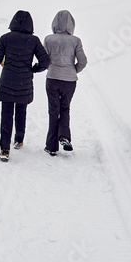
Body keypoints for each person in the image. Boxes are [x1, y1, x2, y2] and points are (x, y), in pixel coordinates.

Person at [0, 10, 50, 161]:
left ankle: (5, 149)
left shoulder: (5, 38)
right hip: (24, 81)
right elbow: (45, 61)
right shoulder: (34, 40)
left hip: (7, 81)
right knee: (21, 110)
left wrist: (4, 62)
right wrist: (33, 69)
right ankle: (19, 139)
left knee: (6, 114)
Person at [43, 10, 87, 156]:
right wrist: (73, 70)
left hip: (53, 78)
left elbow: (44, 59)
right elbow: (83, 61)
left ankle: (51, 146)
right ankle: (65, 137)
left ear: (54, 23)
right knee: (65, 108)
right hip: (69, 81)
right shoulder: (76, 41)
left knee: (53, 111)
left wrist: (51, 67)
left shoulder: (49, 39)